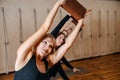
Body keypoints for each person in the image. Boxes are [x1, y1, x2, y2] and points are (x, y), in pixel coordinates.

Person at [14, 0, 84, 80]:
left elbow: (67, 45)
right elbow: (44, 28)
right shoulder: (24, 55)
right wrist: (58, 4)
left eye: (50, 46)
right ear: (38, 42)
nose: (47, 47)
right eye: (45, 42)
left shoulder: (47, 63)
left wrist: (80, 23)